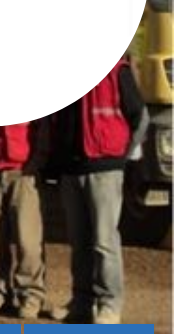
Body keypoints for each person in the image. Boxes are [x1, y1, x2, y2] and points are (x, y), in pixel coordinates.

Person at [50, 58, 145, 324]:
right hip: (72, 169)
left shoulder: (116, 72)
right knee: (79, 243)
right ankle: (81, 303)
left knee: (104, 242)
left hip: (105, 166)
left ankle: (109, 305)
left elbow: (140, 116)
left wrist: (122, 156)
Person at [0, 121, 50, 319]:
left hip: (22, 174)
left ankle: (30, 294)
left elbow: (43, 130)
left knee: (27, 239)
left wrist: (35, 163)